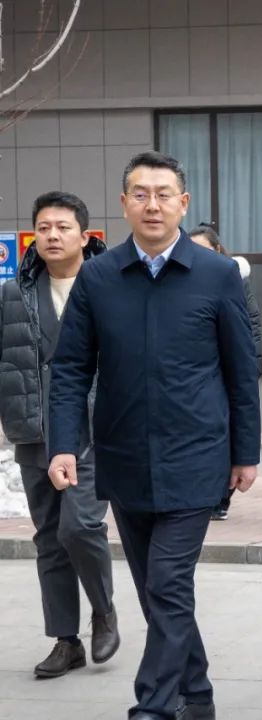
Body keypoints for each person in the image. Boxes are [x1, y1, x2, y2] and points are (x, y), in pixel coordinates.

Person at [48, 151, 261, 720]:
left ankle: (155, 706)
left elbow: (242, 371)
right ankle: (199, 696)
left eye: (164, 194)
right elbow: (70, 368)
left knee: (167, 584)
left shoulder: (216, 274)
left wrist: (245, 452)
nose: (152, 205)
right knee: (156, 591)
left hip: (196, 457)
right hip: (123, 459)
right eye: (140, 194)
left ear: (183, 204)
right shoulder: (99, 277)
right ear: (124, 204)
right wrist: (63, 443)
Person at [0, 191, 119, 678]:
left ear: (85, 236)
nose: (52, 235)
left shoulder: (109, 286)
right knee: (49, 538)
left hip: (94, 430)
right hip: (34, 431)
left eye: (63, 227)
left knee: (80, 526)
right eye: (44, 227)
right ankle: (66, 640)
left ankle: (103, 611)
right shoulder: (14, 293)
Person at [188, 223, 262, 522]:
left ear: (218, 250)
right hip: (200, 377)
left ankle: (222, 496)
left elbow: (252, 325)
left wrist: (250, 366)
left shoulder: (233, 279)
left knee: (229, 434)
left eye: (204, 250)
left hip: (229, 371)